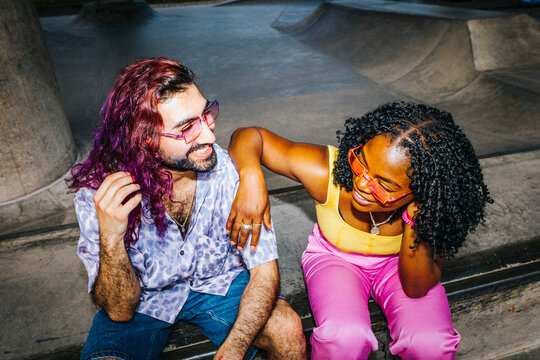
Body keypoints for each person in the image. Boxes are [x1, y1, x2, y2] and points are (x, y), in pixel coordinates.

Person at [66, 57, 306, 360]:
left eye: (206, 114)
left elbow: (264, 271)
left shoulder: (227, 170)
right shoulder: (101, 193)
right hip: (144, 301)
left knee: (287, 329)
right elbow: (119, 310)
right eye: (186, 128)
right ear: (144, 138)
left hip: (220, 283)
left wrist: (235, 347)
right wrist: (112, 240)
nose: (209, 135)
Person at [226, 102, 493, 359]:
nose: (363, 185)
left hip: (397, 265)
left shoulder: (429, 208)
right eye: (361, 162)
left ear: (422, 190)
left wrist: (416, 222)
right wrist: (251, 180)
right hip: (334, 258)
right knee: (343, 338)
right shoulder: (326, 173)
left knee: (431, 343)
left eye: (384, 185)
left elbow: (415, 287)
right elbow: (250, 135)